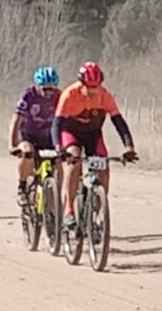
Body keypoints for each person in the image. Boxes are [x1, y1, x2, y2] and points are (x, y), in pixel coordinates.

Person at [51, 62, 138, 229]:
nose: (92, 91)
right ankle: (68, 209)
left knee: (103, 167)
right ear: (81, 83)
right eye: (89, 87)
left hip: (93, 135)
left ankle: (98, 213)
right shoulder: (69, 94)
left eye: (96, 87)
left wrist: (129, 147)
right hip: (71, 133)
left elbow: (119, 122)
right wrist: (58, 148)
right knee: (73, 160)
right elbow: (57, 124)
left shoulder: (105, 96)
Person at [9, 67, 62, 206]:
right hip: (29, 136)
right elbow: (16, 121)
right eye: (45, 89)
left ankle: (56, 200)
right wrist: (12, 145)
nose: (48, 93)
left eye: (52, 89)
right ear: (38, 86)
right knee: (27, 152)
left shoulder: (60, 96)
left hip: (49, 137)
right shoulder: (29, 97)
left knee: (60, 161)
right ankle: (22, 187)